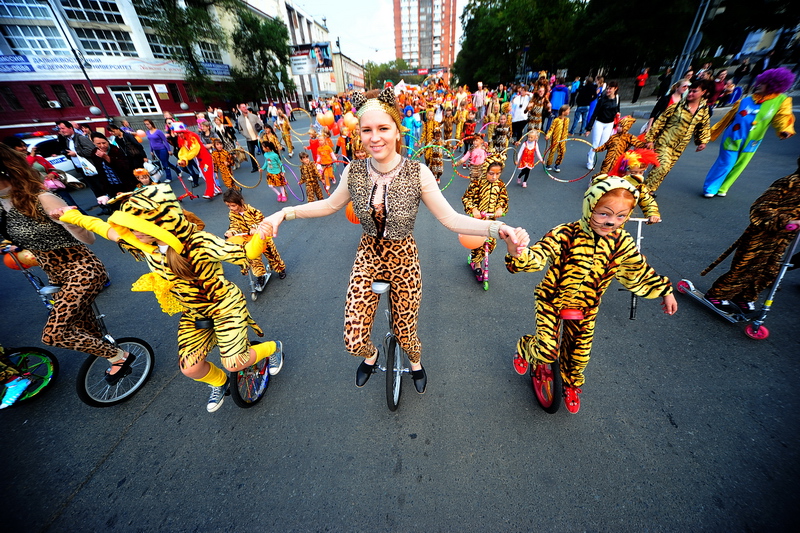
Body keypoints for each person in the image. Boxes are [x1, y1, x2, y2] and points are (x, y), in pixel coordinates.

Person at [257, 87, 528, 394]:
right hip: (367, 256)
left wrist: (497, 228)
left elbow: (451, 219)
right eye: (367, 130)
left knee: (406, 334)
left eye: (383, 128)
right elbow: (329, 205)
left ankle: (416, 364)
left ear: (398, 131)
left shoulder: (418, 172)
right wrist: (283, 213)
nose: (375, 137)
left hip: (403, 257)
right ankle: (372, 356)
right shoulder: (353, 171)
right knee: (353, 340)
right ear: (359, 133)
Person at [55, 184, 284, 412]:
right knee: (190, 367)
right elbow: (103, 228)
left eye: (138, 227)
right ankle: (220, 383)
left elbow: (247, 253)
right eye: (130, 227)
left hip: (224, 305)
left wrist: (261, 233)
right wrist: (70, 216)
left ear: (159, 225)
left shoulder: (199, 242)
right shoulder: (145, 245)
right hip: (194, 311)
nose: (133, 232)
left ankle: (273, 348)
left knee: (234, 363)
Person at [507, 175, 677, 413]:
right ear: (590, 207)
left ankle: (571, 383)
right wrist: (517, 253)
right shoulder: (565, 233)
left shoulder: (622, 243)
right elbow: (538, 256)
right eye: (604, 214)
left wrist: (665, 291)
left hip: (586, 306)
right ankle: (526, 347)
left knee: (579, 354)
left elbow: (638, 270)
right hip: (551, 300)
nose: (611, 222)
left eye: (621, 216)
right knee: (546, 349)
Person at [0, 145, 130, 383]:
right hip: (55, 275)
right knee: (86, 331)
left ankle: (120, 357)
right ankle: (116, 357)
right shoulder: (2, 208)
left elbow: (89, 238)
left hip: (82, 269)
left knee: (54, 334)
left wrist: (69, 221)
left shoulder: (42, 198)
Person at [701, 159, 800, 311]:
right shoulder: (790, 182)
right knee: (747, 267)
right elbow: (761, 207)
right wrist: (787, 221)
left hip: (783, 239)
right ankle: (717, 294)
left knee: (769, 271)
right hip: (762, 234)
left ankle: (745, 296)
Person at [701, 68, 795, 198]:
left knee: (740, 164)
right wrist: (709, 134)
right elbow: (726, 119)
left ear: (773, 85)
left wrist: (784, 129)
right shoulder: (744, 101)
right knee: (726, 162)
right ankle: (711, 187)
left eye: (763, 83)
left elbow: (782, 117)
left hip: (753, 140)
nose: (758, 85)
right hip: (733, 136)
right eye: (759, 82)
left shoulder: (781, 101)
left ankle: (723, 187)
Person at [644, 80, 712, 193]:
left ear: (703, 92)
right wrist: (650, 139)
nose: (690, 94)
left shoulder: (704, 110)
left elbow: (703, 126)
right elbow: (660, 122)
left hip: (680, 146)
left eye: (694, 91)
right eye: (690, 91)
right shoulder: (677, 107)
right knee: (663, 166)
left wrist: (702, 141)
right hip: (665, 142)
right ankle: (645, 191)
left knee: (664, 169)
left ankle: (649, 190)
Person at [223, 188, 287, 287]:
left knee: (272, 254)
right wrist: (231, 232)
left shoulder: (253, 211)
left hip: (262, 237)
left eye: (233, 205)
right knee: (254, 259)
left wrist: (254, 227)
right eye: (228, 206)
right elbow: (234, 226)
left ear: (241, 202)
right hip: (248, 240)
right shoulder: (232, 214)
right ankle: (260, 275)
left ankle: (280, 269)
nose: (231, 208)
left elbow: (262, 221)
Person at [462, 153, 509, 277]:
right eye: (491, 173)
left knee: (490, 244)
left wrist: (500, 208)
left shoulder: (500, 185)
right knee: (478, 243)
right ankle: (477, 264)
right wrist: (473, 209)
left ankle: (480, 257)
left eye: (498, 174)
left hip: (492, 220)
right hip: (479, 220)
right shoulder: (477, 183)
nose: (494, 177)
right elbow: (467, 198)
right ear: (485, 171)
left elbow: (503, 199)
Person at [89, 132, 138, 209]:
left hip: (124, 182)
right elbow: (100, 172)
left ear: (107, 141)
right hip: (111, 185)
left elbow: (124, 167)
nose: (102, 145)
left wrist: (106, 157)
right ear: (93, 143)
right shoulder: (94, 153)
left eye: (104, 143)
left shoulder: (115, 150)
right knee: (118, 206)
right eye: (98, 144)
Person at [173, 122, 220, 200]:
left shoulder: (192, 137)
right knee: (205, 176)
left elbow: (194, 150)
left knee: (208, 175)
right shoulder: (183, 140)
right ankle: (217, 190)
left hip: (206, 158)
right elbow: (183, 151)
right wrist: (182, 159)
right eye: (178, 133)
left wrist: (186, 158)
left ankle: (210, 192)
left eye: (181, 133)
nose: (179, 135)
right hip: (198, 160)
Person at [584, 81, 620, 169]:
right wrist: (589, 128)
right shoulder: (602, 99)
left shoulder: (617, 98)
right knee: (595, 143)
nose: (608, 90)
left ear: (615, 89)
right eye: (607, 88)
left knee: (603, 144)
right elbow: (594, 114)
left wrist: (618, 119)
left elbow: (618, 109)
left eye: (610, 89)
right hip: (599, 122)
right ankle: (590, 162)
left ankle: (590, 153)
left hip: (610, 124)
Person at [143, 118, 180, 184]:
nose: (147, 126)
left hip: (162, 149)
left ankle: (169, 177)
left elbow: (165, 141)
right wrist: (151, 150)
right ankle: (178, 170)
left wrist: (169, 150)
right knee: (166, 162)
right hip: (156, 150)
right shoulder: (148, 132)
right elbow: (150, 142)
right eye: (145, 124)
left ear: (151, 124)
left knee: (164, 163)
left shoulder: (158, 131)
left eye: (148, 124)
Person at [236, 103, 263, 173]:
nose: (245, 108)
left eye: (245, 106)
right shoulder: (239, 119)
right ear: (240, 109)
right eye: (243, 107)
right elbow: (240, 129)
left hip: (257, 137)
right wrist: (245, 135)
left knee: (264, 151)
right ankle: (254, 167)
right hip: (249, 139)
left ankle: (269, 164)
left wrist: (260, 134)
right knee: (251, 153)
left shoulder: (253, 116)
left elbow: (261, 125)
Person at [545, 105, 570, 173]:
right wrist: (548, 135)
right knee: (552, 151)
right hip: (555, 138)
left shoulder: (567, 120)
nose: (569, 112)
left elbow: (566, 130)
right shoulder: (556, 120)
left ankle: (557, 164)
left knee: (562, 151)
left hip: (563, 139)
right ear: (563, 112)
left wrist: (566, 138)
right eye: (568, 110)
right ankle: (548, 164)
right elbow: (551, 129)